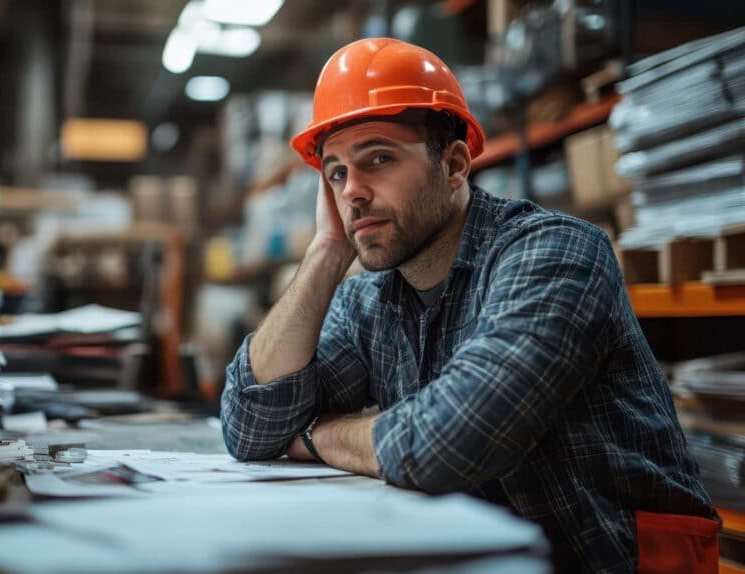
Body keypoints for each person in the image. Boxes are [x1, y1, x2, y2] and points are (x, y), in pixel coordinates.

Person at [220, 38, 719, 573]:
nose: (352, 193)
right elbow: (251, 427)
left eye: (379, 159)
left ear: (455, 164)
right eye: (337, 173)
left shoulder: (555, 253)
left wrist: (317, 435)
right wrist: (325, 252)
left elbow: (450, 441)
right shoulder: (369, 299)